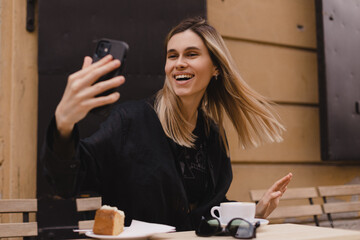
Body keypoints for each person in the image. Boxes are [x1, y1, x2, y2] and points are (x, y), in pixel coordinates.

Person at [42, 17, 292, 231]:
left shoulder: (211, 134)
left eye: (191, 54)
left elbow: (210, 207)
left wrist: (255, 214)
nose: (179, 63)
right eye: (172, 55)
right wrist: (63, 123)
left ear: (215, 67)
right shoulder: (130, 120)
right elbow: (68, 181)